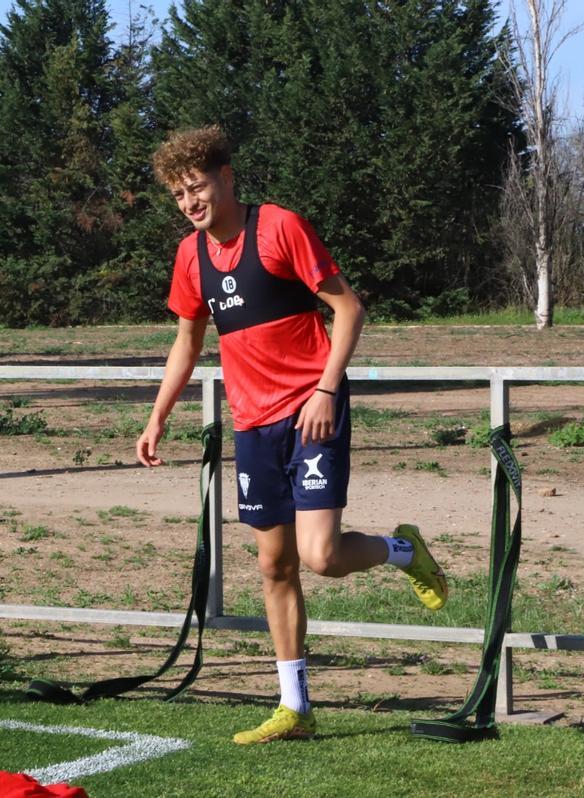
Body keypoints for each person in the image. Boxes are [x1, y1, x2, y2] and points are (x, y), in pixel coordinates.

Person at [136, 126, 447, 744]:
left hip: (312, 411)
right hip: (252, 425)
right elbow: (187, 342)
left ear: (227, 177)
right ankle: (294, 706)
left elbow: (349, 308)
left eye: (197, 187)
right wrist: (158, 414)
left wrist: (327, 390)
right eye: (178, 195)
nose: (190, 202)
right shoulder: (189, 257)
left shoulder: (279, 228)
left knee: (321, 556)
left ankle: (404, 551)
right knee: (274, 565)